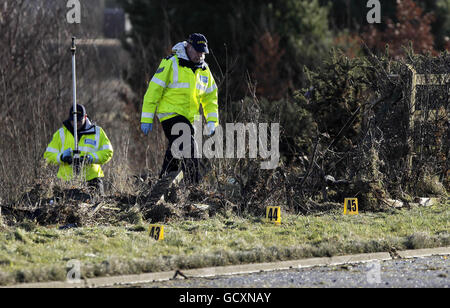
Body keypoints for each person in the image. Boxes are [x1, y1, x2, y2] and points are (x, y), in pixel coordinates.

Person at [140, 33, 219, 183]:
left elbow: (210, 98)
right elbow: (153, 91)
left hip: (189, 119)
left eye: (203, 52)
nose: (200, 55)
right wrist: (146, 117)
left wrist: (212, 121)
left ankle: (162, 185)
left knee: (176, 152)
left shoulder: (204, 70)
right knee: (189, 145)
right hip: (170, 115)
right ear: (188, 47)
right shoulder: (171, 63)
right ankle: (194, 186)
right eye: (197, 51)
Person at [44, 104, 113, 195]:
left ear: (85, 116)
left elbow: (108, 152)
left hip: (92, 180)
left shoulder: (97, 132)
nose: (76, 123)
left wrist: (91, 158)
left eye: (79, 121)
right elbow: (48, 155)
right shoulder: (61, 134)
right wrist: (62, 157)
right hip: (66, 181)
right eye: (73, 121)